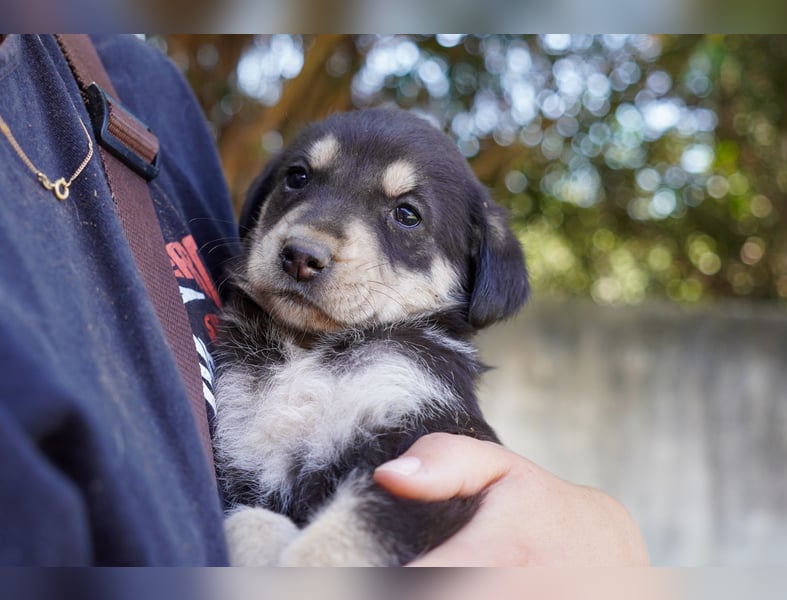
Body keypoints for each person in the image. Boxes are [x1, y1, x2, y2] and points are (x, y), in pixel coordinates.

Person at [0, 34, 648, 566]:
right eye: (300, 179)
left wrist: (600, 533)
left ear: (476, 274)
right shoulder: (241, 332)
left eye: (406, 216)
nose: (310, 241)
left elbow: (432, 498)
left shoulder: (134, 90)